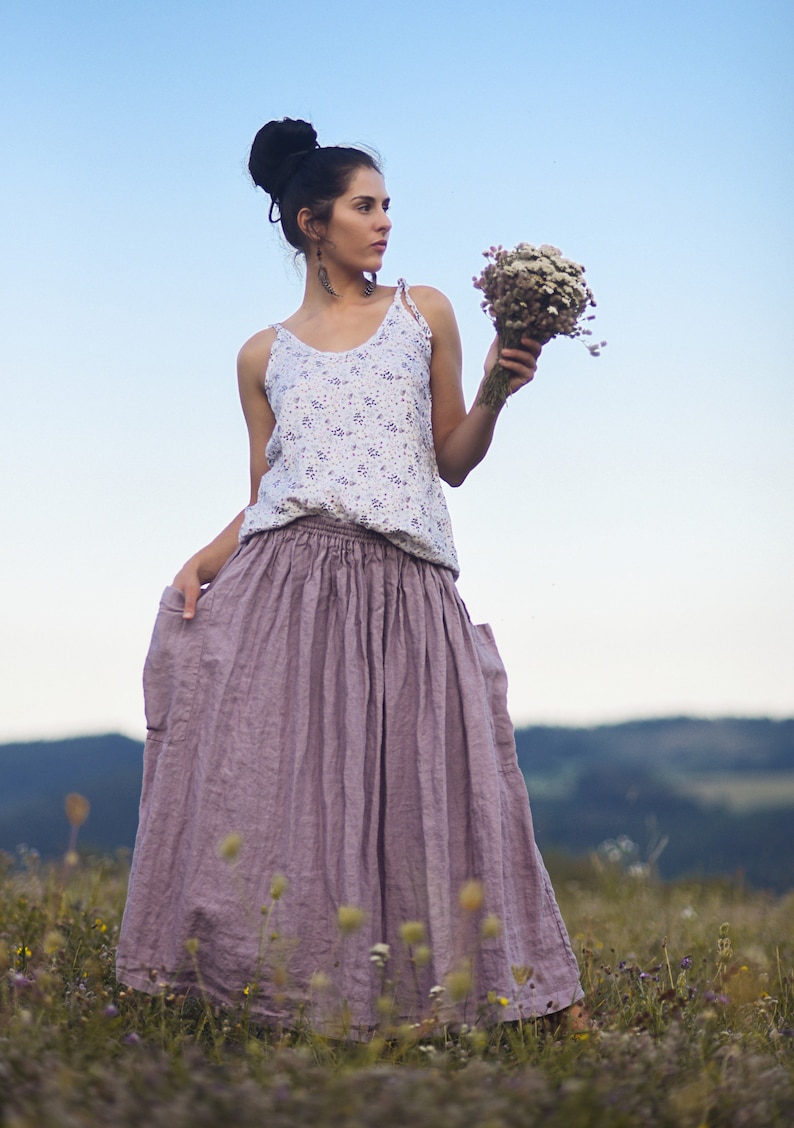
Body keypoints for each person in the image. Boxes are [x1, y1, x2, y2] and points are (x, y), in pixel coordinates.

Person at [116, 117, 585, 1036]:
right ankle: (277, 995)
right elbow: (267, 494)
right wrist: (206, 559)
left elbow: (451, 459)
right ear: (309, 222)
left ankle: (506, 996)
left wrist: (496, 390)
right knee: (282, 791)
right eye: (364, 207)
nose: (384, 224)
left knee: (448, 781)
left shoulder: (426, 313)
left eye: (386, 207)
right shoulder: (263, 355)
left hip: (406, 585)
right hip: (288, 585)